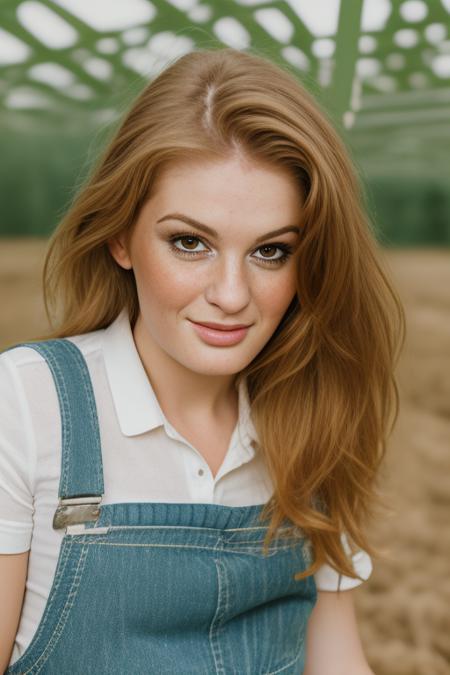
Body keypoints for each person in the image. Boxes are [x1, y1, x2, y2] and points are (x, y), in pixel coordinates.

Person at [0, 47, 405, 674]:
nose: (232, 295)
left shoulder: (316, 414)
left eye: (271, 251)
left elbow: (337, 663)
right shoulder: (26, 406)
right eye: (190, 243)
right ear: (119, 236)